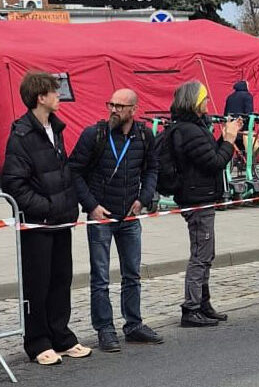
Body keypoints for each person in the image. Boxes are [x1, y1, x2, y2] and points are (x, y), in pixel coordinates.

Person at [2, 71, 91, 364]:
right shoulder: (21, 135)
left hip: (60, 221)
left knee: (61, 279)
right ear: (41, 98)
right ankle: (38, 341)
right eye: (55, 92)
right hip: (38, 223)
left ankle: (60, 335)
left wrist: (68, 205)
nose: (59, 96)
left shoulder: (56, 129)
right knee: (37, 284)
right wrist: (48, 207)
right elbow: (13, 183)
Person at [69, 89, 163, 352]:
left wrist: (143, 198)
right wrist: (91, 206)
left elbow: (152, 168)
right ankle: (105, 329)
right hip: (101, 216)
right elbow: (74, 170)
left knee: (132, 273)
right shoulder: (94, 135)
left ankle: (133, 324)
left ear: (134, 109)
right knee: (100, 276)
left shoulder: (144, 135)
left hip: (129, 216)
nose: (113, 110)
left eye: (120, 106)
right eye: (111, 104)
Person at [171, 81, 242, 326]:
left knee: (206, 253)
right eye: (204, 99)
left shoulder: (194, 126)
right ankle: (190, 308)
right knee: (201, 254)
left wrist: (223, 138)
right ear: (194, 102)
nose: (208, 104)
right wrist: (229, 140)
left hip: (201, 196)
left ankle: (203, 302)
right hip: (197, 198)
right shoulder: (188, 129)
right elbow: (213, 161)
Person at [223, 80, 254, 154]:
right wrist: (252, 125)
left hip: (231, 125)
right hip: (242, 125)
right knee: (245, 145)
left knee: (234, 143)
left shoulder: (230, 97)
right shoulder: (247, 96)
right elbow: (249, 112)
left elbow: (226, 112)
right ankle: (246, 161)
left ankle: (239, 161)